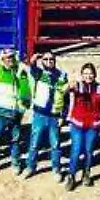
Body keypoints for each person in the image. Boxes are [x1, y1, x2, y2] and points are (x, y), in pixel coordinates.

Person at [22, 51, 69, 179]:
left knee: (55, 144)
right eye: (46, 59)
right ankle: (30, 167)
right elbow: (31, 66)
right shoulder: (39, 73)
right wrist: (34, 60)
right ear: (42, 61)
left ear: (55, 60)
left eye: (51, 59)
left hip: (54, 115)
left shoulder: (62, 76)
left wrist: (63, 116)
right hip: (39, 114)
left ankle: (56, 169)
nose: (49, 61)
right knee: (34, 143)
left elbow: (66, 98)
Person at [0, 47, 32, 176]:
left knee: (15, 140)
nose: (10, 59)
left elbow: (26, 90)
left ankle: (15, 163)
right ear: (3, 59)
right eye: (7, 58)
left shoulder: (20, 71)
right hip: (0, 111)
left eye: (12, 57)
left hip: (15, 112)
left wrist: (23, 108)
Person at [64, 63, 100, 190]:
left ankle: (86, 173)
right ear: (82, 75)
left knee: (89, 151)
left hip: (93, 126)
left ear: (95, 74)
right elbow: (64, 92)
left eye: (90, 73)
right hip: (78, 124)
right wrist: (68, 86)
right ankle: (71, 175)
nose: (88, 76)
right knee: (76, 150)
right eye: (85, 73)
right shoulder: (78, 86)